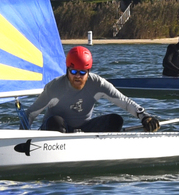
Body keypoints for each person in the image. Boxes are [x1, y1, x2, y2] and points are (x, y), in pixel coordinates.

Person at [23, 46, 161, 133]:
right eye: (73, 72)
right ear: (67, 70)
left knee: (115, 120)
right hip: (55, 132)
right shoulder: (54, 87)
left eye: (82, 73)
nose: (78, 77)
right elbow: (30, 114)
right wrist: (21, 136)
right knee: (56, 121)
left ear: (88, 72)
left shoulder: (97, 83)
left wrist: (144, 116)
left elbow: (124, 101)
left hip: (83, 130)